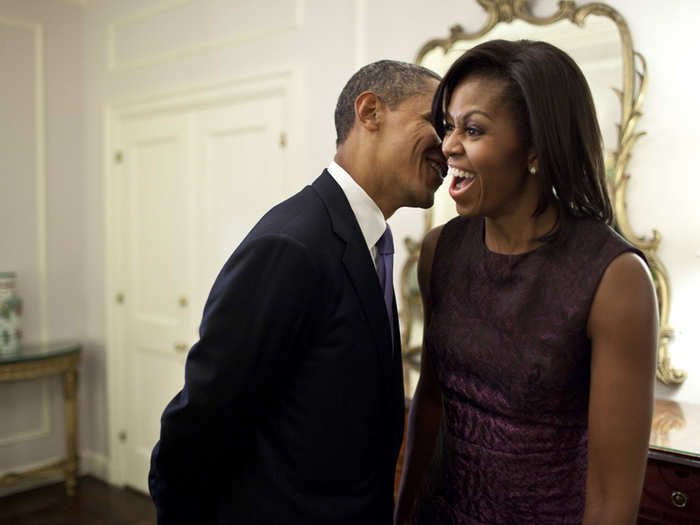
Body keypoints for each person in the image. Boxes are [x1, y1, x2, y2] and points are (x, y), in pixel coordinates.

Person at [148, 59, 446, 524]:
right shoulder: (292, 245)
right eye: (436, 122)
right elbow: (200, 422)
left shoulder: (367, 240)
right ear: (370, 112)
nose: (449, 145)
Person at [394, 40, 658, 525]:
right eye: (449, 126)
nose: (448, 145)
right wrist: (403, 514)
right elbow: (430, 402)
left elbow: (611, 496)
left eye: (472, 129)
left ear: (536, 146)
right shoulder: (440, 252)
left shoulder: (616, 278)